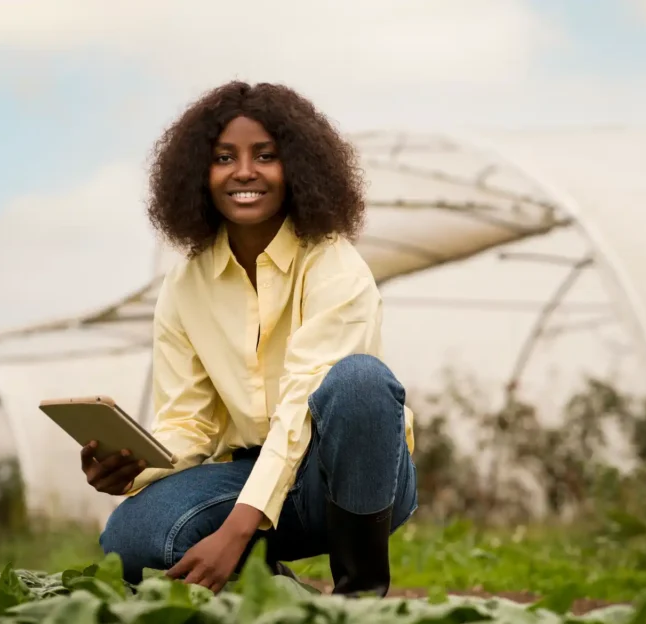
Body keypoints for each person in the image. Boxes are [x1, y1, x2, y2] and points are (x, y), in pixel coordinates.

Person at [82, 81, 418, 597]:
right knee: (129, 539)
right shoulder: (184, 285)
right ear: (199, 173)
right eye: (223, 157)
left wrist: (236, 530)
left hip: (344, 482)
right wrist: (134, 465)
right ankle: (268, 580)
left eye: (266, 156)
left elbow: (304, 407)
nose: (244, 172)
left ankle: (360, 592)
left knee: (360, 383)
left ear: (299, 169)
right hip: (242, 475)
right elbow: (189, 422)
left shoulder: (334, 264)